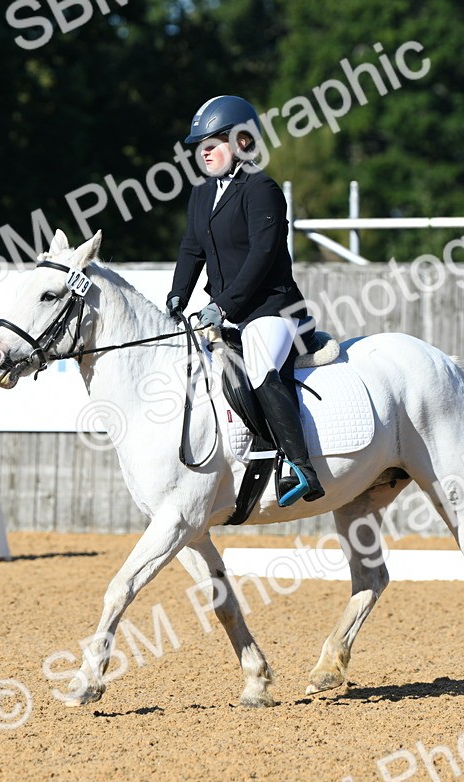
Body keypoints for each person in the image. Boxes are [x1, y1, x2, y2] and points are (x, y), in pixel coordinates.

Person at [165, 95, 325, 505]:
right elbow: (191, 249)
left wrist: (223, 306)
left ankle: (300, 467)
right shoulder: (202, 194)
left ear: (242, 141)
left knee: (259, 365)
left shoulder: (261, 189)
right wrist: (178, 294)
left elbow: (262, 255)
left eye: (213, 143)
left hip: (272, 308)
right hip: (229, 310)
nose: (204, 152)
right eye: (201, 146)